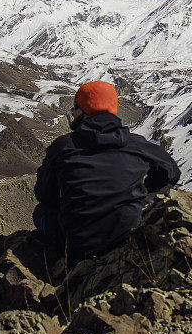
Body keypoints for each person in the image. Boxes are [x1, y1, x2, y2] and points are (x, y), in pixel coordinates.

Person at [33, 80, 181, 264]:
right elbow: (171, 171)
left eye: (76, 106)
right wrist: (145, 198)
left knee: (40, 212)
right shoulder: (136, 143)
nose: (72, 112)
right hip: (126, 233)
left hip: (77, 244)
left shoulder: (63, 146)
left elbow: (43, 194)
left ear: (85, 111)